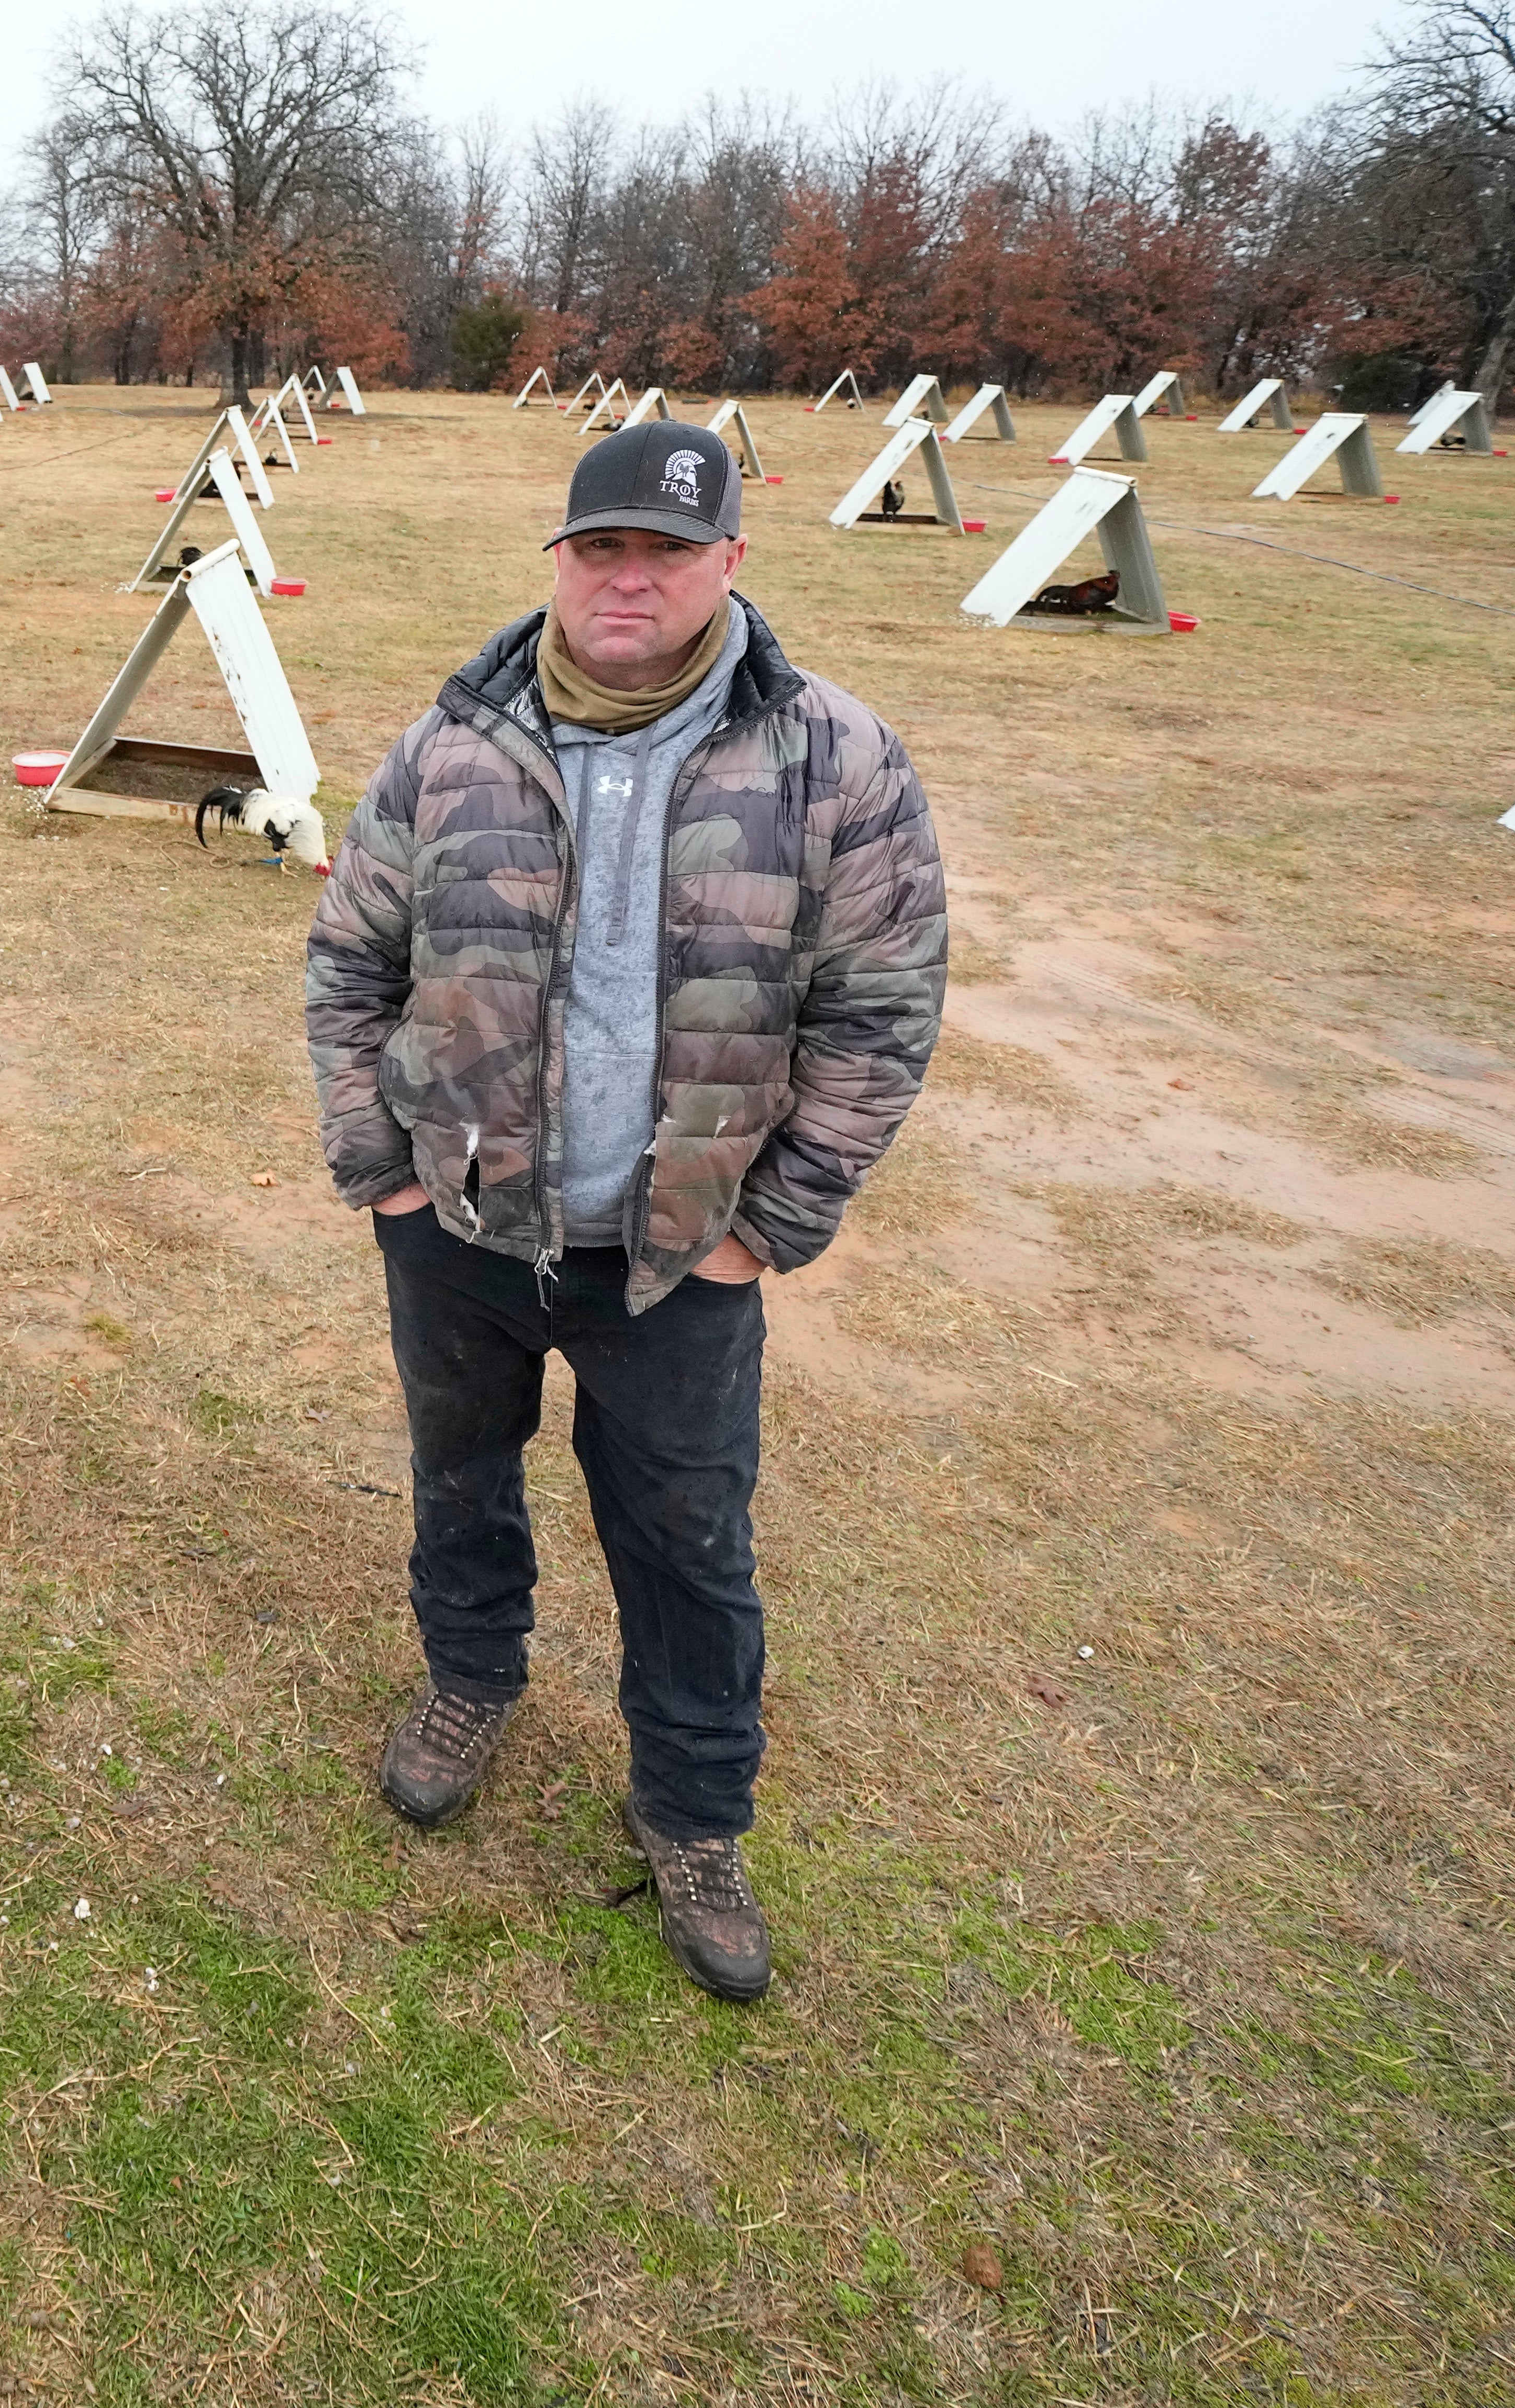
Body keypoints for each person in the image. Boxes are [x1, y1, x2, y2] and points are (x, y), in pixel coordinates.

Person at [302, 419, 946, 2001]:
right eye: (602, 549)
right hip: (459, 1229)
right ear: (562, 560)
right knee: (459, 1477)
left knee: (687, 1538)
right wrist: (385, 1169)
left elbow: (881, 1015)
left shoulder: (835, 758)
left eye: (668, 552)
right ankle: (471, 1679)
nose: (630, 581)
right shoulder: (454, 743)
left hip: (678, 1260)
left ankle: (695, 1811)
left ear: (731, 562)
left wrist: (766, 1228)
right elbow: (350, 961)